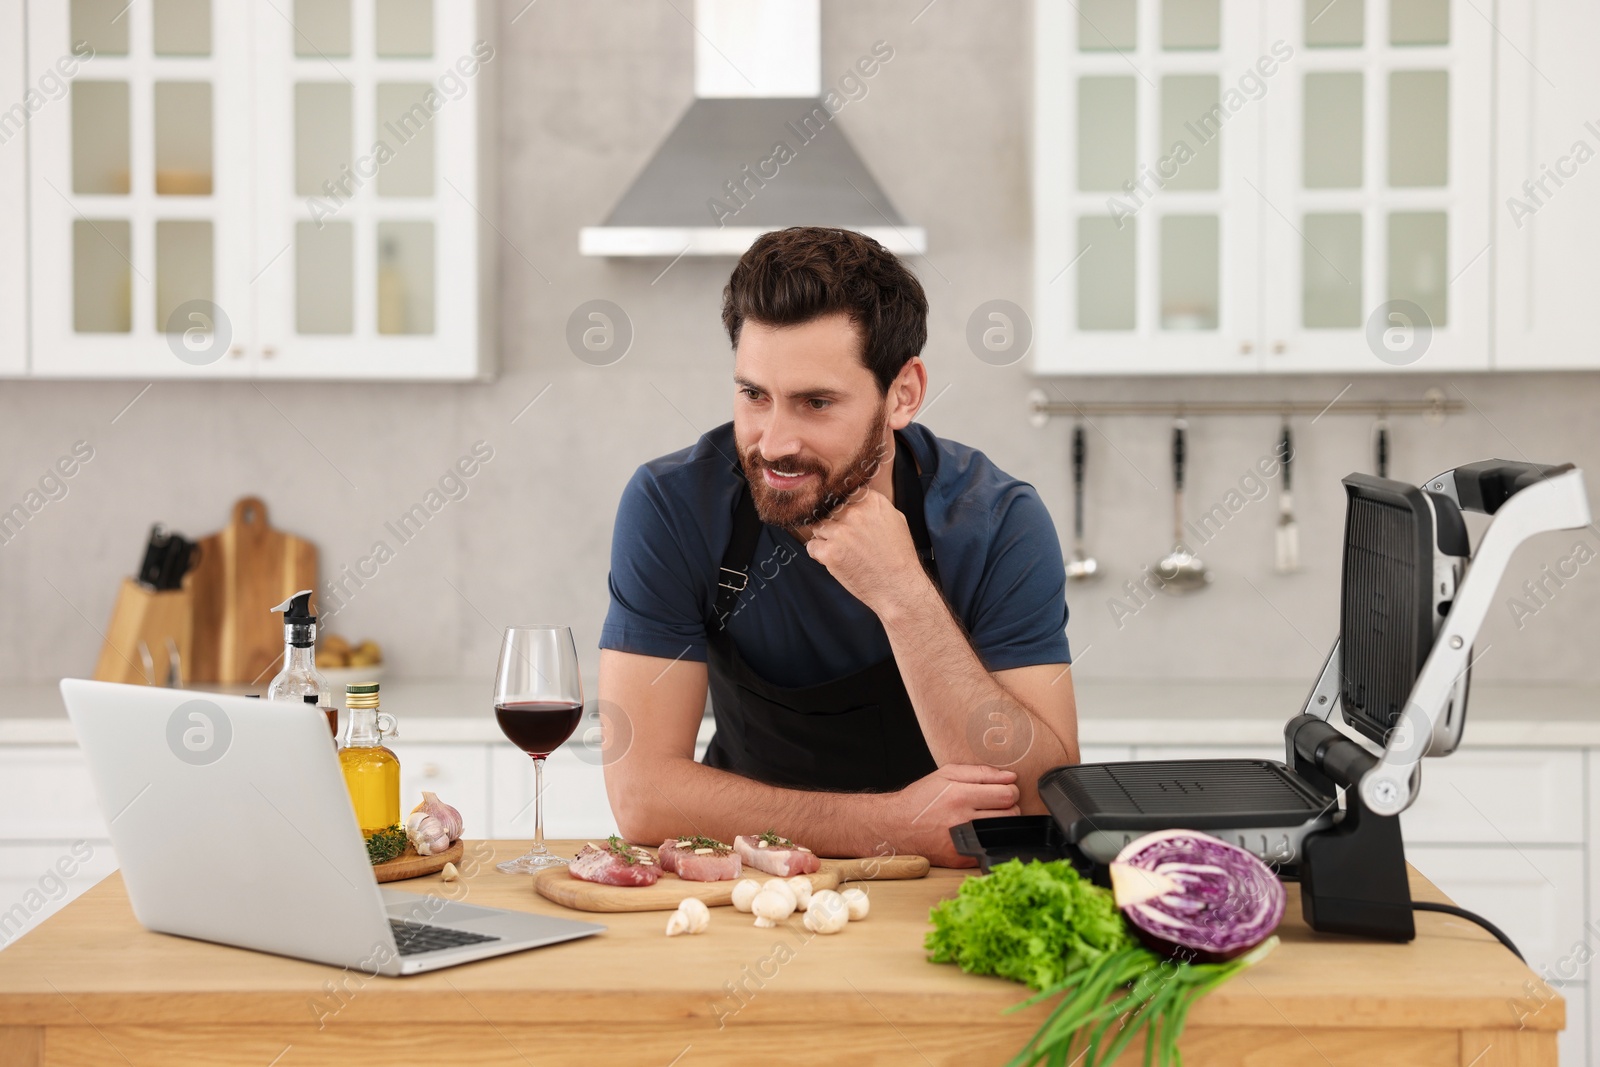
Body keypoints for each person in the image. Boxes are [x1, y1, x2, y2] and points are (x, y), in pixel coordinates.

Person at [598, 227, 1079, 867]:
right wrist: (889, 825)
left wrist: (904, 595)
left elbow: (1040, 798)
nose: (773, 442)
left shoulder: (996, 521)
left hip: (945, 889)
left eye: (816, 403)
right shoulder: (673, 504)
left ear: (902, 394)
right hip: (750, 883)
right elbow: (642, 797)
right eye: (754, 395)